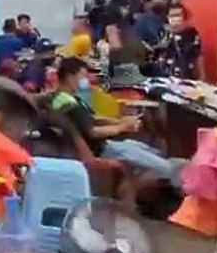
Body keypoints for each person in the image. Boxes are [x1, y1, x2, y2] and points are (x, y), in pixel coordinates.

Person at [53, 57, 183, 188]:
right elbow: (93, 131)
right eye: (83, 76)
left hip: (106, 144)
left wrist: (120, 121)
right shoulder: (67, 102)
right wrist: (122, 127)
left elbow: (92, 119)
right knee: (164, 167)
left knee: (151, 152)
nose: (86, 80)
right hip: (101, 150)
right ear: (70, 76)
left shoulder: (68, 98)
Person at [154, 3, 203, 80]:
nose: (175, 18)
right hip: (164, 76)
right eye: (172, 15)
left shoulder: (190, 34)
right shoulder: (162, 33)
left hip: (186, 75)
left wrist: (202, 77)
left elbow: (197, 56)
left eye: (178, 15)